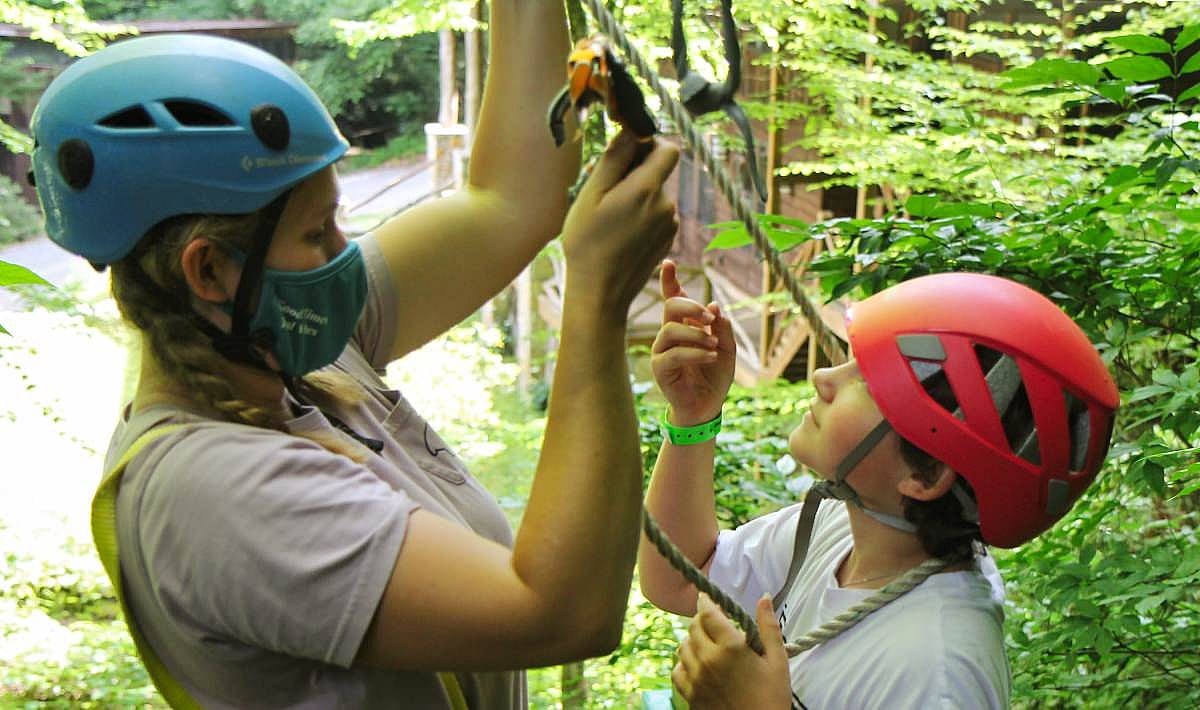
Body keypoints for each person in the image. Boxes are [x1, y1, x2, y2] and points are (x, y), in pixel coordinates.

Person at [30, 4, 680, 707]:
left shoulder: (293, 351)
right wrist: (597, 303)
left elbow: (509, 201)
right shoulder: (214, 493)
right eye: (318, 232)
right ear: (210, 270)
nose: (346, 254)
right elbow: (560, 615)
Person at [638, 261, 1119, 709]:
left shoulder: (937, 673)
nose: (824, 377)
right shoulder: (847, 527)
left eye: (868, 384)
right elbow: (682, 576)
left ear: (925, 476)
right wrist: (694, 416)